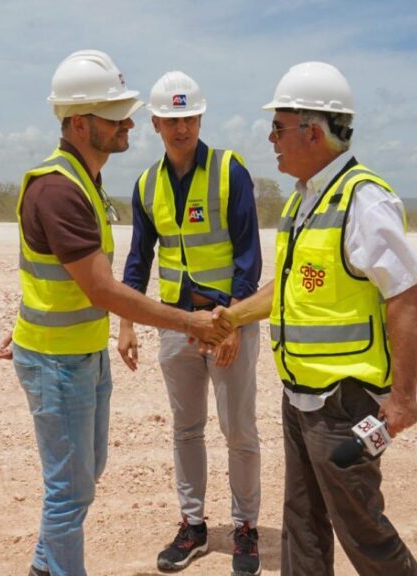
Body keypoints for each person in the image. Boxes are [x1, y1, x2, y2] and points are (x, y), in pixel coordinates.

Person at [0, 50, 231, 576]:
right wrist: (188, 321)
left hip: (79, 355)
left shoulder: (84, 180)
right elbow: (102, 289)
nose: (129, 124)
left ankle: (43, 568)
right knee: (69, 492)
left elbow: (53, 275)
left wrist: (24, 321)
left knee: (83, 477)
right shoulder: (59, 189)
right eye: (116, 115)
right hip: (58, 363)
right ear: (80, 123)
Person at [212, 61, 417, 575]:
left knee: (363, 530)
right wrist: (231, 317)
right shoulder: (304, 200)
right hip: (300, 396)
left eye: (278, 127)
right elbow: (288, 289)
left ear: (312, 131)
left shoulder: (363, 200)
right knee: (302, 524)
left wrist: (403, 398)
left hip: (344, 402)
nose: (271, 139)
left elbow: (404, 295)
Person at [116, 71, 263, 575]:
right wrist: (127, 324)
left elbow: (248, 253)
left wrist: (235, 322)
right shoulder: (146, 185)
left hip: (226, 321)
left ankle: (245, 528)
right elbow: (138, 260)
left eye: (190, 118)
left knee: (239, 430)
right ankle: (193, 526)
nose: (182, 128)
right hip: (178, 324)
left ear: (200, 118)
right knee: (186, 429)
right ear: (155, 123)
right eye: (172, 120)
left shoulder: (229, 171)